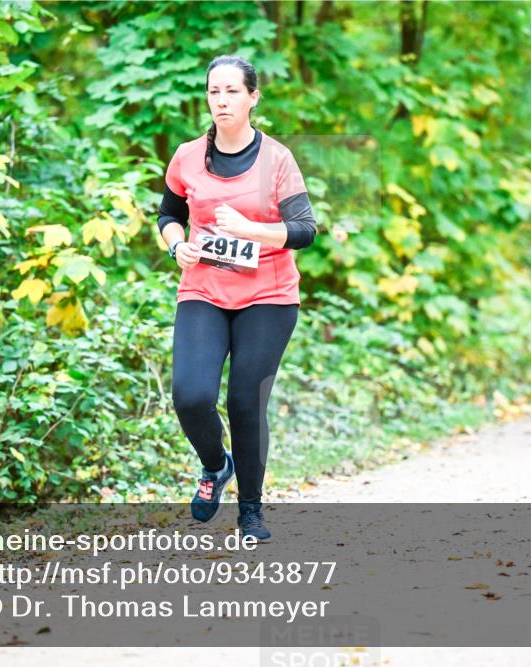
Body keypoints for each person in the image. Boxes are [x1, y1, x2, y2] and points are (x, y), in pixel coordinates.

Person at [156, 55, 317, 541]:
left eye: (231, 91)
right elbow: (167, 214)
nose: (221, 100)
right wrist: (175, 245)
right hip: (204, 288)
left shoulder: (277, 159)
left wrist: (251, 229)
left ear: (252, 97)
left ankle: (251, 512)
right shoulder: (187, 156)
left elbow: (305, 231)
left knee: (245, 401)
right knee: (191, 395)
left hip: (268, 296)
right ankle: (214, 465)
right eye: (213, 92)